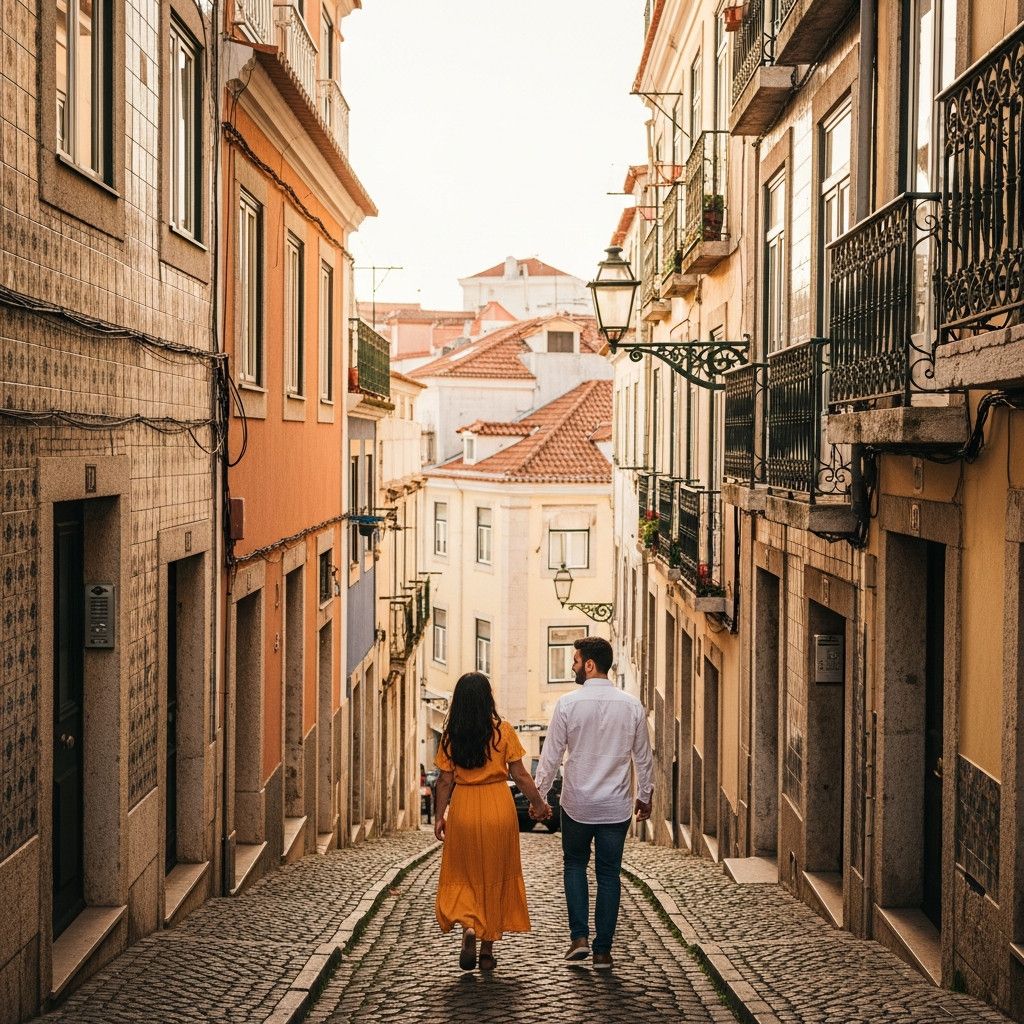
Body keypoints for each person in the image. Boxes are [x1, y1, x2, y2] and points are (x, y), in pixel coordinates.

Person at [533, 636, 653, 971]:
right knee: (609, 875)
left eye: (574, 661)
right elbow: (643, 757)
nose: (572, 666)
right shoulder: (631, 706)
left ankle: (579, 939)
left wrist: (540, 796)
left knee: (574, 866)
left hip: (578, 804)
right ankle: (602, 952)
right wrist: (645, 794)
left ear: (589, 664)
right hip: (615, 806)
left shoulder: (568, 704)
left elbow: (551, 755)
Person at [433, 672, 550, 971]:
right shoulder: (503, 732)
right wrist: (538, 804)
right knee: (495, 874)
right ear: (488, 699)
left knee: (466, 873)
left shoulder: (451, 737)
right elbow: (521, 775)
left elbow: (444, 782)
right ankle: (487, 950)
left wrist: (439, 817)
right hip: (498, 806)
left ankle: (469, 927)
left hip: (465, 809)